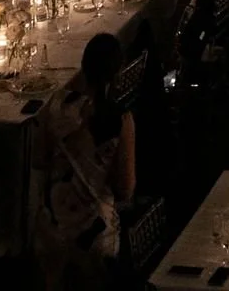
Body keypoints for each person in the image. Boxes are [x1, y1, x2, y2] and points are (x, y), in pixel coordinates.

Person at [33, 30, 136, 286]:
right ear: (118, 74)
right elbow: (125, 189)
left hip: (53, 230)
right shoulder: (120, 120)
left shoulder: (56, 106)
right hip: (96, 233)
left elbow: (41, 162)